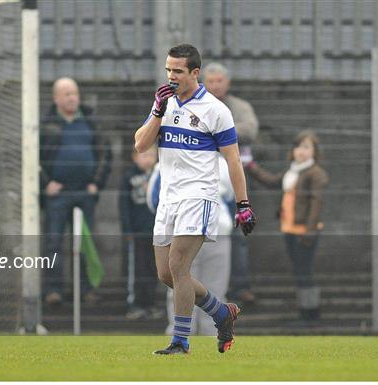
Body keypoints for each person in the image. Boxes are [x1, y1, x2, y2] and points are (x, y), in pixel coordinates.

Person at [134, 43, 256, 355]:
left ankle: (180, 341)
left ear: (195, 73)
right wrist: (158, 111)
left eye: (177, 70)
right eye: (168, 70)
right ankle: (221, 312)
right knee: (167, 274)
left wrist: (243, 204)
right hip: (169, 199)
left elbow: (233, 161)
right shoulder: (163, 102)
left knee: (178, 265)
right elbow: (140, 145)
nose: (171, 76)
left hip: (199, 197)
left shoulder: (215, 110)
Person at [40, 77, 112, 305]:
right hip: (57, 195)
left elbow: (104, 154)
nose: (72, 98)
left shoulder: (91, 121)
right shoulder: (46, 123)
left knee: (86, 243)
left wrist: (96, 184)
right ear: (56, 98)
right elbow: (34, 157)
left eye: (75, 93)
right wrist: (45, 183)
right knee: (53, 242)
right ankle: (53, 290)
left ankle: (87, 289)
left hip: (84, 193)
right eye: (67, 94)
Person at [145, 154, 233, 336]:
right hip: (183, 231)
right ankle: (182, 333)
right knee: (178, 281)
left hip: (216, 231)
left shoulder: (220, 162)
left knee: (214, 285)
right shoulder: (167, 160)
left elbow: (230, 197)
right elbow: (155, 198)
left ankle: (213, 333)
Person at [246, 130, 328, 323]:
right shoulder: (293, 171)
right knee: (300, 271)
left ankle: (311, 313)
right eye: (299, 146)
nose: (302, 151)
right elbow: (272, 181)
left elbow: (316, 203)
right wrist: (251, 166)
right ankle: (306, 310)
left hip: (304, 231)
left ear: (314, 152)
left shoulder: (315, 173)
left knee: (304, 271)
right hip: (289, 228)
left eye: (307, 147)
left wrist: (309, 230)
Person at [203, 62, 260, 305]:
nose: (216, 86)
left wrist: (218, 131)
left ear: (228, 83)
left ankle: (239, 285)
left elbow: (250, 130)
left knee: (237, 236)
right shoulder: (197, 104)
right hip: (205, 178)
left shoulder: (239, 106)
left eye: (220, 81)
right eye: (211, 81)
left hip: (233, 178)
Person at [119, 146, 162, 320]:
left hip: (156, 231)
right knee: (137, 269)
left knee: (154, 269)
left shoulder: (160, 176)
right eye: (143, 155)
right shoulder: (128, 178)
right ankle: (134, 304)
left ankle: (150, 303)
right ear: (134, 157)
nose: (148, 159)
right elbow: (123, 205)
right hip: (137, 232)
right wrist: (127, 229)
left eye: (151, 155)